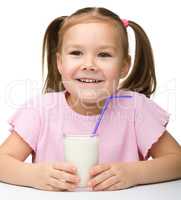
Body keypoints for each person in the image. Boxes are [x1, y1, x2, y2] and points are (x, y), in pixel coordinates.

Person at [0, 7, 181, 192]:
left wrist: (135, 173)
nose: (89, 65)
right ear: (60, 62)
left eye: (104, 55)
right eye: (76, 53)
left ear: (124, 66)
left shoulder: (135, 108)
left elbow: (177, 161)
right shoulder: (40, 110)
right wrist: (33, 175)